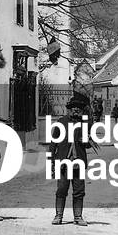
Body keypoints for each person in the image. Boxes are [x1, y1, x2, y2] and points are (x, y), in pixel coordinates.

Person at [50, 91, 95, 226]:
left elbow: (88, 144)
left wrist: (86, 141)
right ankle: (58, 216)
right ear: (69, 109)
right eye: (73, 107)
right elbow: (53, 144)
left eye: (79, 108)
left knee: (79, 191)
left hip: (78, 163)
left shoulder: (85, 124)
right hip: (63, 163)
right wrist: (52, 161)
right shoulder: (61, 122)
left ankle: (78, 217)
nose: (76, 110)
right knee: (62, 189)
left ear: (81, 110)